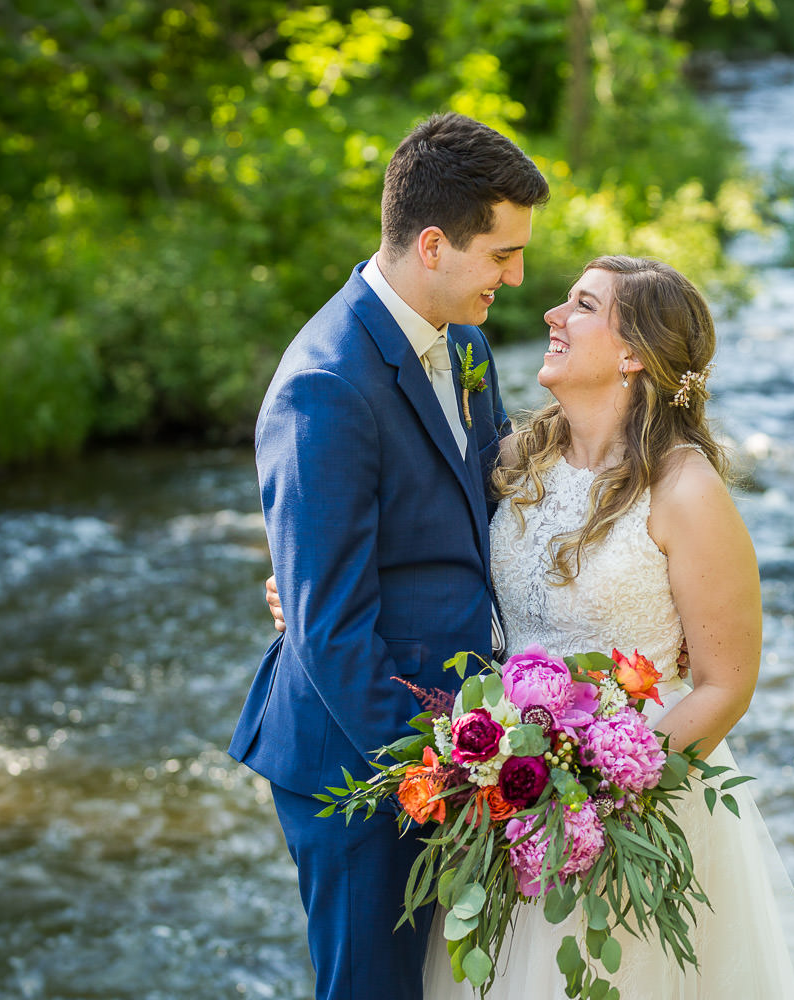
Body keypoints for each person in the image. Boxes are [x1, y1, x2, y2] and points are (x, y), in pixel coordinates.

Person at [271, 256, 794, 999]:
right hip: (509, 793)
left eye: (581, 305)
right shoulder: (517, 458)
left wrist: (600, 795)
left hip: (630, 800)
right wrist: (303, 582)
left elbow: (726, 684)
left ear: (633, 353)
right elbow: (411, 547)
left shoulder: (687, 491)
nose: (550, 314)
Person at [228, 111, 549, 1000]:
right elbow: (329, 629)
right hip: (363, 767)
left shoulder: (467, 346)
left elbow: (486, 515)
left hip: (465, 740)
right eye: (503, 254)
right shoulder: (325, 385)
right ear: (436, 245)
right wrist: (434, 780)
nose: (517, 276)